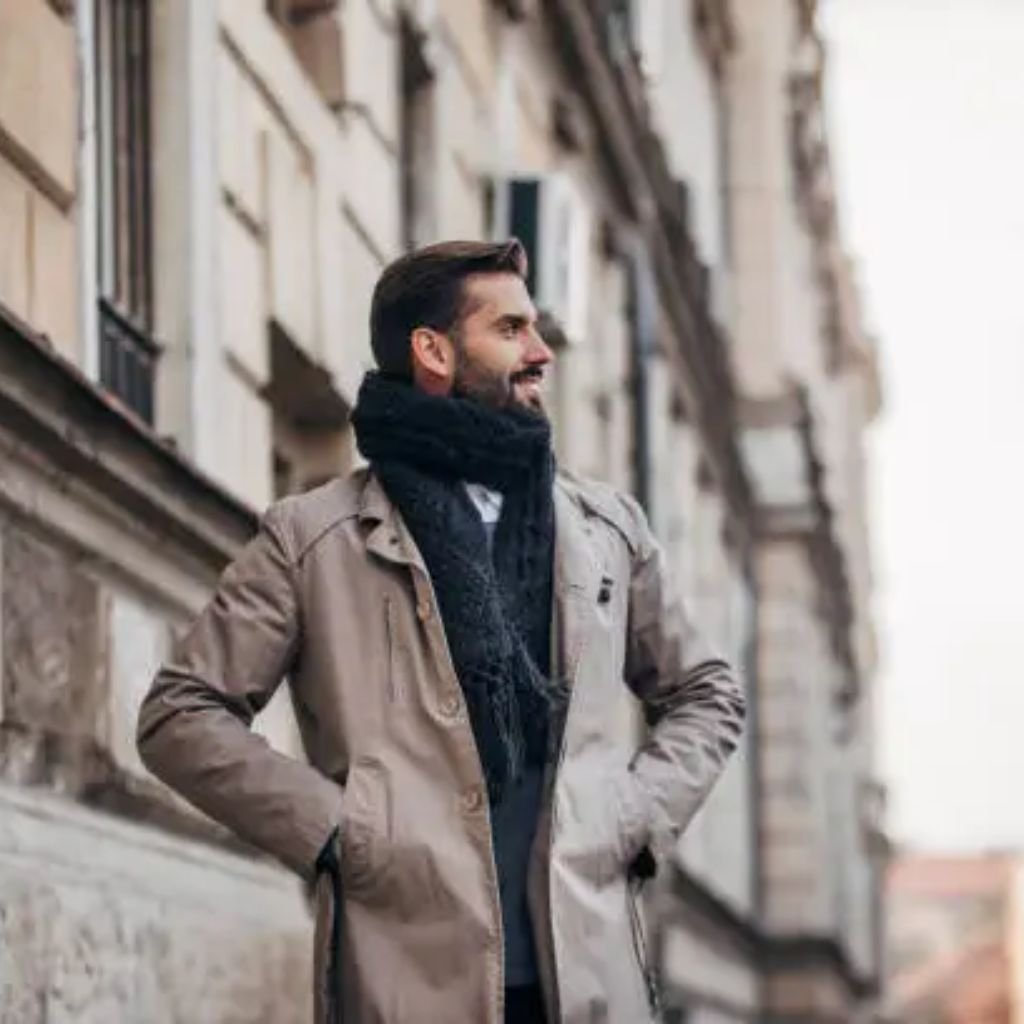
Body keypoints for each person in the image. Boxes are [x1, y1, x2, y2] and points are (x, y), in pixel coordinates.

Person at [136, 239, 746, 1024]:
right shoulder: (313, 537)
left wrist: (632, 812)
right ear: (433, 352)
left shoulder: (607, 529)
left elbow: (707, 691)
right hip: (407, 984)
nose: (541, 352)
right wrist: (341, 831)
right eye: (511, 329)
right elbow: (180, 715)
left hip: (589, 982)